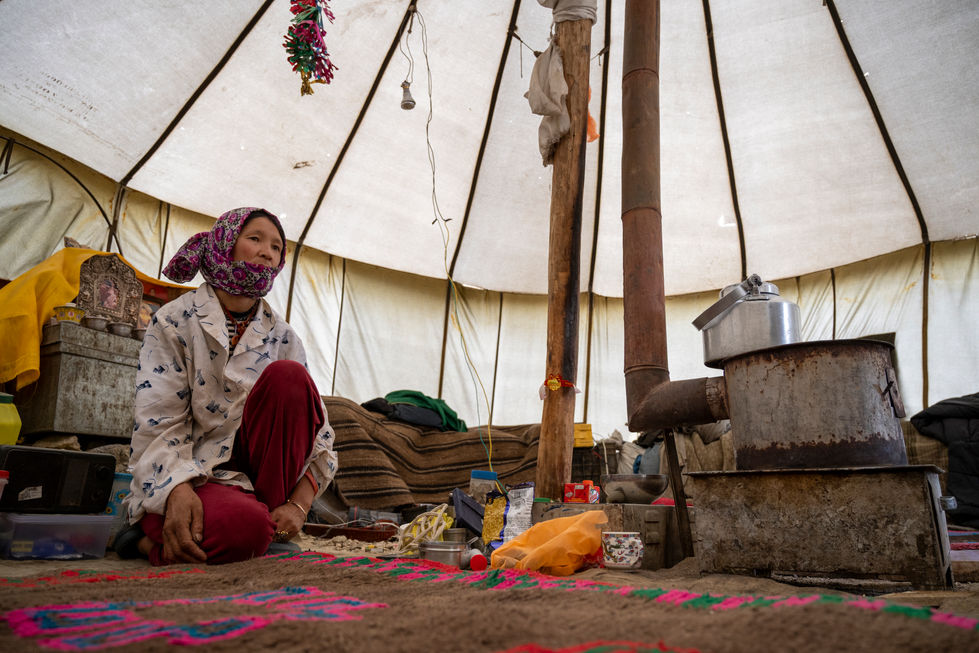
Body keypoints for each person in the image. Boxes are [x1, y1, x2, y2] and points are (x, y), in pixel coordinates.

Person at [117, 207, 337, 565]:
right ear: (225, 244)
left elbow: (321, 437)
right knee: (244, 531)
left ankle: (261, 525)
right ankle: (142, 540)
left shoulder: (284, 337)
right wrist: (177, 490)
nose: (268, 251)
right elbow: (158, 419)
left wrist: (298, 506)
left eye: (277, 247)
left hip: (262, 485)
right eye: (255, 239)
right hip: (197, 476)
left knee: (290, 378)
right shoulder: (174, 320)